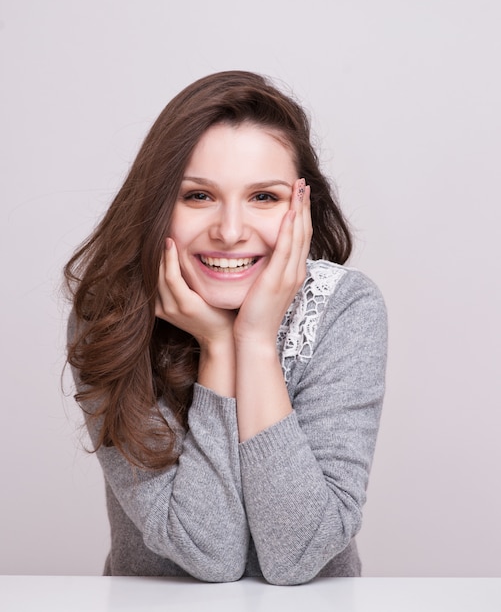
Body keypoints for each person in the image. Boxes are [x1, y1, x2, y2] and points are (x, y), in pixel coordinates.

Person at [65, 70, 387, 586]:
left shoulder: (344, 309)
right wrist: (218, 347)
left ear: (302, 206)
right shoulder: (112, 314)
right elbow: (206, 551)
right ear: (157, 206)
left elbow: (298, 555)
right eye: (198, 196)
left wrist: (255, 343)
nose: (231, 232)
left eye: (264, 197)